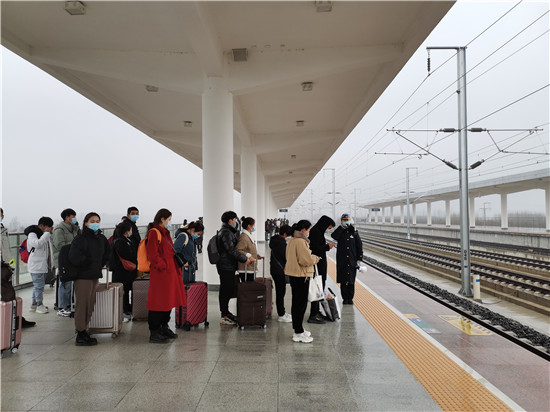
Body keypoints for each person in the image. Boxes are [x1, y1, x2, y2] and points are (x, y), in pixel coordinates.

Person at [69, 212, 111, 346]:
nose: (95, 223)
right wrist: (89, 263)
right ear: (86, 223)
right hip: (83, 276)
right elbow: (73, 256)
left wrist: (99, 264)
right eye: (92, 221)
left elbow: (107, 253)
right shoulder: (80, 238)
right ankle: (80, 332)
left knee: (90, 304)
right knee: (82, 304)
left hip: (94, 275)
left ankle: (85, 329)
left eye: (97, 221)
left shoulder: (101, 238)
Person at [146, 208, 186, 343]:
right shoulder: (154, 233)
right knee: (158, 302)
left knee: (168, 301)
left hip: (169, 273)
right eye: (168, 219)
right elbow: (152, 255)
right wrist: (163, 265)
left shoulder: (165, 233)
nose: (169, 222)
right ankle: (155, 331)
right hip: (161, 274)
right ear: (162, 219)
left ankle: (164, 326)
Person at [215, 211, 254, 325]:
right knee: (225, 290)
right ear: (230, 220)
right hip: (225, 266)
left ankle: (226, 313)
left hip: (228, 265)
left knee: (228, 289)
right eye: (234, 219)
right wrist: (244, 259)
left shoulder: (229, 231)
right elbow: (231, 250)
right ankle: (224, 315)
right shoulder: (226, 233)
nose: (236, 221)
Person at [285, 220, 320, 343]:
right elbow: (305, 260)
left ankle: (298, 328)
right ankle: (298, 332)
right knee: (300, 304)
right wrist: (315, 258)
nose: (309, 232)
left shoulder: (292, 240)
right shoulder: (300, 241)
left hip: (295, 274)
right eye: (308, 230)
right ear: (304, 229)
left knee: (297, 303)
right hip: (301, 275)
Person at [1, 209, 35, 328]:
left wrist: (9, 264)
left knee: (9, 293)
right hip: (2, 266)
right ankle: (13, 320)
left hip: (5, 265)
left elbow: (6, 249)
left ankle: (14, 319)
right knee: (8, 293)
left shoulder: (3, 229)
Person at [52, 208, 80, 317]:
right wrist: (74, 246)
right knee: (64, 283)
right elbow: (60, 245)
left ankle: (68, 305)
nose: (75, 219)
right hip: (63, 260)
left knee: (70, 284)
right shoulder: (59, 230)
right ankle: (62, 307)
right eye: (73, 217)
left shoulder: (74, 229)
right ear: (67, 218)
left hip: (72, 259)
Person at [307, 215, 336, 324]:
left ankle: (316, 311)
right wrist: (328, 246)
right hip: (317, 265)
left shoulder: (317, 231)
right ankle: (313, 315)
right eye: (329, 227)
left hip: (319, 264)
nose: (328, 229)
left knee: (319, 288)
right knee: (317, 288)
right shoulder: (316, 232)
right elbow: (315, 248)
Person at [331, 213, 363, 305]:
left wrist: (359, 259)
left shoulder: (354, 232)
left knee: (351, 280)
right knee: (343, 280)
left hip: (352, 259)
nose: (346, 222)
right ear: (341, 221)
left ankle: (350, 298)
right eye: (344, 220)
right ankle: (345, 298)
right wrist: (341, 227)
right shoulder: (340, 231)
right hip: (342, 260)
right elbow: (334, 236)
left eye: (347, 220)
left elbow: (359, 245)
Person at [25, 217, 55, 314]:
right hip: (36, 265)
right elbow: (37, 244)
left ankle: (34, 304)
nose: (49, 229)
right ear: (42, 225)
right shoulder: (32, 234)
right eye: (48, 227)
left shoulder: (42, 234)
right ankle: (39, 305)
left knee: (37, 286)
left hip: (42, 265)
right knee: (39, 287)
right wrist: (46, 233)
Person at [110, 220, 137, 321]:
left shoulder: (120, 240)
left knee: (124, 291)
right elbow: (128, 256)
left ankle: (126, 309)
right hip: (122, 272)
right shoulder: (121, 242)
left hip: (123, 271)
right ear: (127, 231)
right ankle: (124, 311)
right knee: (124, 291)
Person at [269, 224, 292, 323]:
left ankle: (282, 312)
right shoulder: (281, 243)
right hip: (279, 271)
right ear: (285, 234)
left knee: (280, 292)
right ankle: (281, 314)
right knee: (281, 292)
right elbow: (286, 257)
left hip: (275, 269)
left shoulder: (276, 241)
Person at [236, 217, 262, 283]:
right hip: (246, 268)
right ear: (249, 226)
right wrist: (249, 256)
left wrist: (256, 255)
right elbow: (238, 250)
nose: (254, 227)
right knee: (248, 287)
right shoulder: (244, 237)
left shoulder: (249, 236)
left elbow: (248, 249)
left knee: (250, 286)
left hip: (250, 267)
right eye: (253, 225)